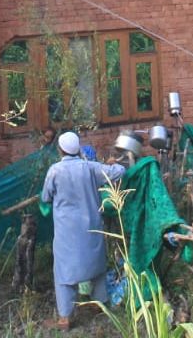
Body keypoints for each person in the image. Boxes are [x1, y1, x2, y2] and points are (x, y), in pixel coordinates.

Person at [41, 131, 126, 331]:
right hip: (91, 227)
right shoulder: (91, 168)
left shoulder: (55, 171)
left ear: (60, 150)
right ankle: (100, 304)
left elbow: (46, 197)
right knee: (95, 265)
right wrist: (113, 163)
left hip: (66, 231)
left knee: (64, 272)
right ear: (78, 149)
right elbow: (120, 172)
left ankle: (65, 318)